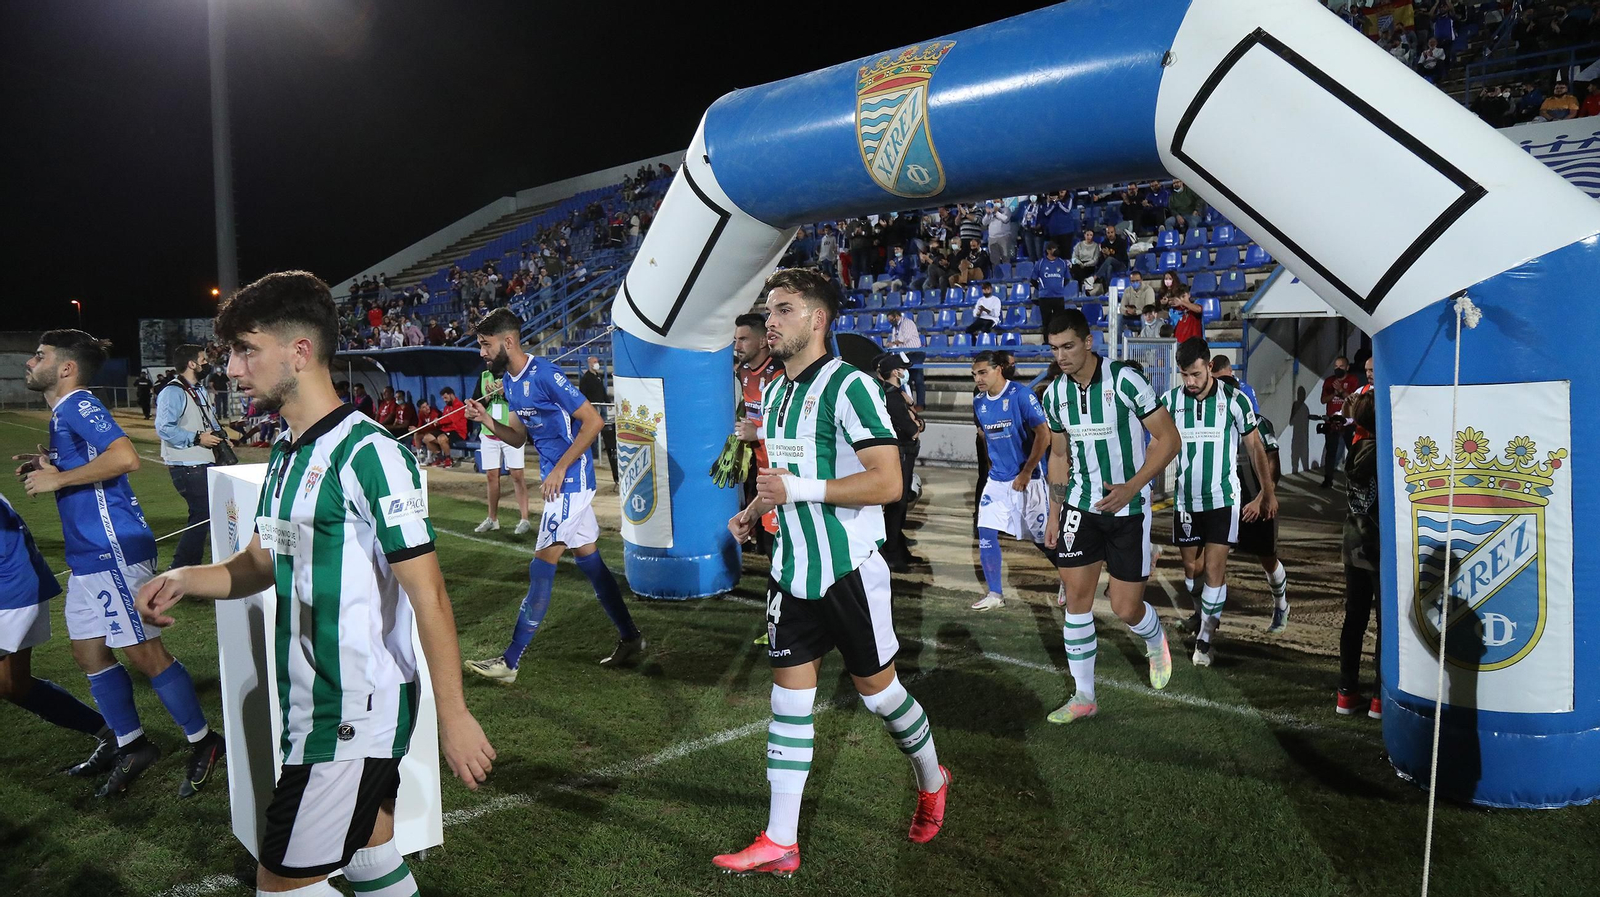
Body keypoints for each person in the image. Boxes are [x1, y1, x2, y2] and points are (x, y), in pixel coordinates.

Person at [134, 271, 495, 895]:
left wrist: (455, 714)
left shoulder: (369, 454)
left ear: (299, 351)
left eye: (247, 350)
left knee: (281, 886)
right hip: (314, 705)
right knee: (370, 857)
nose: (233, 369)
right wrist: (184, 576)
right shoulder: (286, 453)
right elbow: (260, 562)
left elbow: (429, 593)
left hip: (352, 713)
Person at [715, 268, 948, 876]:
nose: (770, 321)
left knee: (881, 696)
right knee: (788, 703)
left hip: (847, 570)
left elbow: (889, 483)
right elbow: (782, 478)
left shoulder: (852, 387)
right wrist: (752, 511)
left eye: (783, 310)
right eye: (769, 310)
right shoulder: (776, 394)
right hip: (791, 570)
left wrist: (798, 490)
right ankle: (780, 842)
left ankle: (932, 777)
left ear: (817, 319)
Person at [16, 330, 221, 798]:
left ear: (66, 368)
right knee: (88, 653)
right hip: (88, 555)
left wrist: (58, 480)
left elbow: (126, 457)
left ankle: (205, 741)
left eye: (40, 356)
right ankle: (132, 745)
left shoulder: (78, 403)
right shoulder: (63, 412)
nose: (30, 362)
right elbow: (90, 461)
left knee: (143, 652)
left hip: (112, 550)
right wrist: (53, 465)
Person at [463, 309, 646, 682]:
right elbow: (518, 438)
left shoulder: (545, 374)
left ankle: (509, 662)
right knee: (591, 563)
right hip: (558, 480)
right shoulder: (510, 382)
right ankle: (631, 638)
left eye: (485, 344)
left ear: (508, 341)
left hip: (570, 482)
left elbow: (593, 421)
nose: (482, 353)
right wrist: (487, 420)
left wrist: (561, 468)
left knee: (541, 567)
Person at [1038, 310, 1181, 723]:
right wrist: (1054, 512)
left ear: (1088, 342)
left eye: (1068, 346)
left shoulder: (1125, 380)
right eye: (1054, 348)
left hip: (1129, 510)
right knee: (1076, 601)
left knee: (1124, 608)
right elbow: (1059, 456)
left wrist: (1132, 488)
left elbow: (1169, 439)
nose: (1061, 356)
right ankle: (1084, 696)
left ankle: (1154, 638)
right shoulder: (1054, 394)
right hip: (1080, 507)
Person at [1159, 338, 1278, 667]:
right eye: (1184, 375)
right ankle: (1204, 614)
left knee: (1214, 570)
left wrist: (1267, 492)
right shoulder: (1170, 401)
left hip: (1223, 499)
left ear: (1209, 366)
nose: (1190, 382)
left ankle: (1205, 640)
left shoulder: (1235, 400)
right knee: (1191, 572)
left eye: (1196, 374)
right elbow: (1155, 442)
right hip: (1185, 500)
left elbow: (1255, 447)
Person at [0, 492, 111, 768]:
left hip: (11, 593)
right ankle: (112, 734)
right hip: (20, 583)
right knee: (12, 684)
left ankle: (122, 737)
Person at [969, 351, 1051, 611]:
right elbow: (986, 438)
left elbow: (1044, 434)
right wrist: (991, 468)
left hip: (1029, 479)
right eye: (974, 374)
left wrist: (1027, 471)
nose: (978, 379)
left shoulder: (1021, 395)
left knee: (1044, 540)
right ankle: (995, 593)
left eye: (983, 372)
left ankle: (1071, 577)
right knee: (985, 532)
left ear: (999, 369)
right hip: (997, 480)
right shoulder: (979, 402)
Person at [154, 344, 225, 570]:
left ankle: (190, 566)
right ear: (192, 364)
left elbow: (206, 421)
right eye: (203, 360)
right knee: (202, 515)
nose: (206, 364)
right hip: (188, 466)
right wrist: (197, 438)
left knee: (205, 515)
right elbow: (164, 428)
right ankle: (181, 566)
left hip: (202, 462)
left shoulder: (197, 389)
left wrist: (221, 437)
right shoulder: (173, 392)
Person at [1337, 392, 1382, 719]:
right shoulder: (1382, 452)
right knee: (1384, 622)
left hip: (1353, 542)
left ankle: (1346, 692)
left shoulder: (1354, 448)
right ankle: (1379, 697)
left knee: (1354, 618)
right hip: (1378, 545)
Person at [733, 313, 784, 557]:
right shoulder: (742, 372)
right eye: (736, 340)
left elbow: (792, 425)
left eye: (743, 339)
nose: (737, 346)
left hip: (779, 465)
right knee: (765, 537)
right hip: (758, 463)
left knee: (779, 539)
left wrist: (758, 432)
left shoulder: (779, 374)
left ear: (763, 341)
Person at [473, 373, 533, 536]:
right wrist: (486, 397)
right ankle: (492, 519)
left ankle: (524, 519)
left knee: (517, 475)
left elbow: (524, 401)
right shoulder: (484, 376)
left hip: (512, 431)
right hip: (488, 433)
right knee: (491, 476)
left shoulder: (513, 375)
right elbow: (476, 403)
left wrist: (505, 394)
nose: (488, 362)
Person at [579, 356, 620, 486]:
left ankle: (603, 449)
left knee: (605, 429)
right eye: (594, 362)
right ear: (589, 364)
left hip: (601, 406)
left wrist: (607, 402)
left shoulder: (598, 376)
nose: (597, 364)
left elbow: (602, 390)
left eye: (597, 362)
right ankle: (594, 452)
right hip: (593, 407)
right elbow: (582, 394)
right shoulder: (586, 378)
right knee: (593, 430)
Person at [1320, 356, 1360, 488]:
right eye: (1336, 366)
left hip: (1348, 422)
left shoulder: (1353, 380)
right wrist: (1334, 393)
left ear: (1347, 367)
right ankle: (1328, 480)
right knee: (1331, 451)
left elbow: (1354, 400)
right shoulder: (1329, 381)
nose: (1338, 369)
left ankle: (1356, 480)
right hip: (1332, 422)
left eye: (1341, 366)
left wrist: (1341, 391)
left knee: (1353, 451)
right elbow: (1323, 400)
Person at [882, 309, 926, 409]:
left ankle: (920, 404)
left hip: (915, 353)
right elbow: (894, 340)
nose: (890, 322)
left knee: (918, 380)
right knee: (906, 381)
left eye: (891, 319)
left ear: (896, 316)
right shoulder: (895, 327)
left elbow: (905, 338)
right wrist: (891, 344)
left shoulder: (907, 323)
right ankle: (909, 403)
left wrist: (893, 343)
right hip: (904, 355)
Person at [420, 387, 468, 467]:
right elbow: (444, 419)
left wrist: (439, 421)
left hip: (458, 431)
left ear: (451, 395)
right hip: (445, 430)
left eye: (446, 398)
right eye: (443, 398)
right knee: (426, 438)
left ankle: (448, 459)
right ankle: (440, 458)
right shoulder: (446, 407)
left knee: (441, 438)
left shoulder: (459, 406)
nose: (444, 400)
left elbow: (451, 419)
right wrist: (436, 422)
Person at [1032, 241, 1070, 336]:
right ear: (1048, 250)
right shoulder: (1040, 263)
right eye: (1054, 248)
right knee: (1046, 322)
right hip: (1045, 297)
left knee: (1060, 322)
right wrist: (1042, 288)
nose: (1056, 250)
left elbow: (1067, 279)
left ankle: (1059, 341)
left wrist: (1059, 287)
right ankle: (1047, 341)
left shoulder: (1062, 263)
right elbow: (1033, 280)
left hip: (1058, 297)